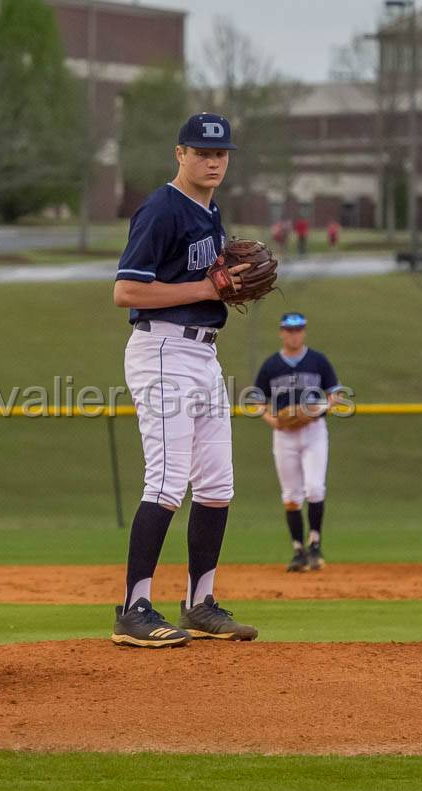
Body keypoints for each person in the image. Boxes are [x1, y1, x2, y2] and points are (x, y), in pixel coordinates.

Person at [110, 112, 259, 647]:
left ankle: (200, 604)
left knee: (217, 486)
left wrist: (223, 284)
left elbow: (208, 283)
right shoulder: (161, 209)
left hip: (203, 354)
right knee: (168, 482)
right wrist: (204, 289)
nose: (213, 160)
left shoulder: (211, 212)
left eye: (221, 154)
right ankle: (133, 609)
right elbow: (126, 293)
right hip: (163, 348)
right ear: (180, 154)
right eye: (202, 152)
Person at [253, 312, 345, 571]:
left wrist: (316, 410)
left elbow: (335, 394)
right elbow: (258, 401)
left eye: (298, 329)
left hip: (314, 431)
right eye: (289, 330)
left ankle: (315, 543)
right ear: (281, 332)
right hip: (283, 436)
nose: (294, 334)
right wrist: (275, 421)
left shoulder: (317, 360)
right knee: (291, 495)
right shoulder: (272, 365)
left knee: (315, 488)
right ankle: (298, 550)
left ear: (304, 332)